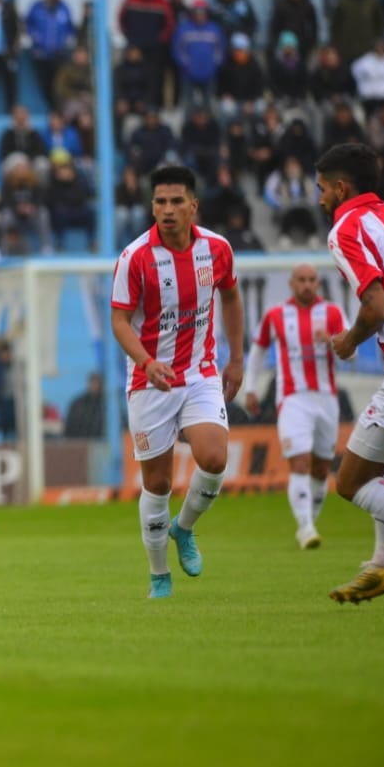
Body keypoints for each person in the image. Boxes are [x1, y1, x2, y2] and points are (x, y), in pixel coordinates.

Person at [110, 165, 244, 600]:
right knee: (159, 483)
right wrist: (147, 362)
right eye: (159, 203)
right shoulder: (135, 257)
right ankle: (158, 576)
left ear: (193, 206)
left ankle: (183, 529)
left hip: (201, 372)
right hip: (151, 382)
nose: (167, 211)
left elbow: (231, 296)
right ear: (152, 206)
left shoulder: (218, 249)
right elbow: (120, 320)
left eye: (175, 202)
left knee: (213, 457)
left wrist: (237, 358)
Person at [317, 142, 384, 603]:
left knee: (352, 481)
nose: (320, 198)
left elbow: (377, 305)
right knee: (382, 468)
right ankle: (382, 565)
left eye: (323, 189)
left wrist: (348, 340)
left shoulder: (345, 228)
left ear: (342, 188)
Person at [242, 264, 347, 550]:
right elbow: (258, 349)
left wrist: (334, 340)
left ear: (318, 284)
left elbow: (351, 354)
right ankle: (306, 527)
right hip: (292, 398)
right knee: (299, 462)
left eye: (312, 280)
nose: (307, 285)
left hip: (326, 398)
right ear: (291, 283)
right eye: (301, 280)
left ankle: (308, 521)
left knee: (322, 467)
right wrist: (250, 387)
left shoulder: (333, 314)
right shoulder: (276, 314)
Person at [64, 372, 106, 438]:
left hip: (101, 442)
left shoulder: (107, 404)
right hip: (79, 442)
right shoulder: (78, 404)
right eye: (92, 382)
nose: (94, 385)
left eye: (97, 382)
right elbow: (69, 427)